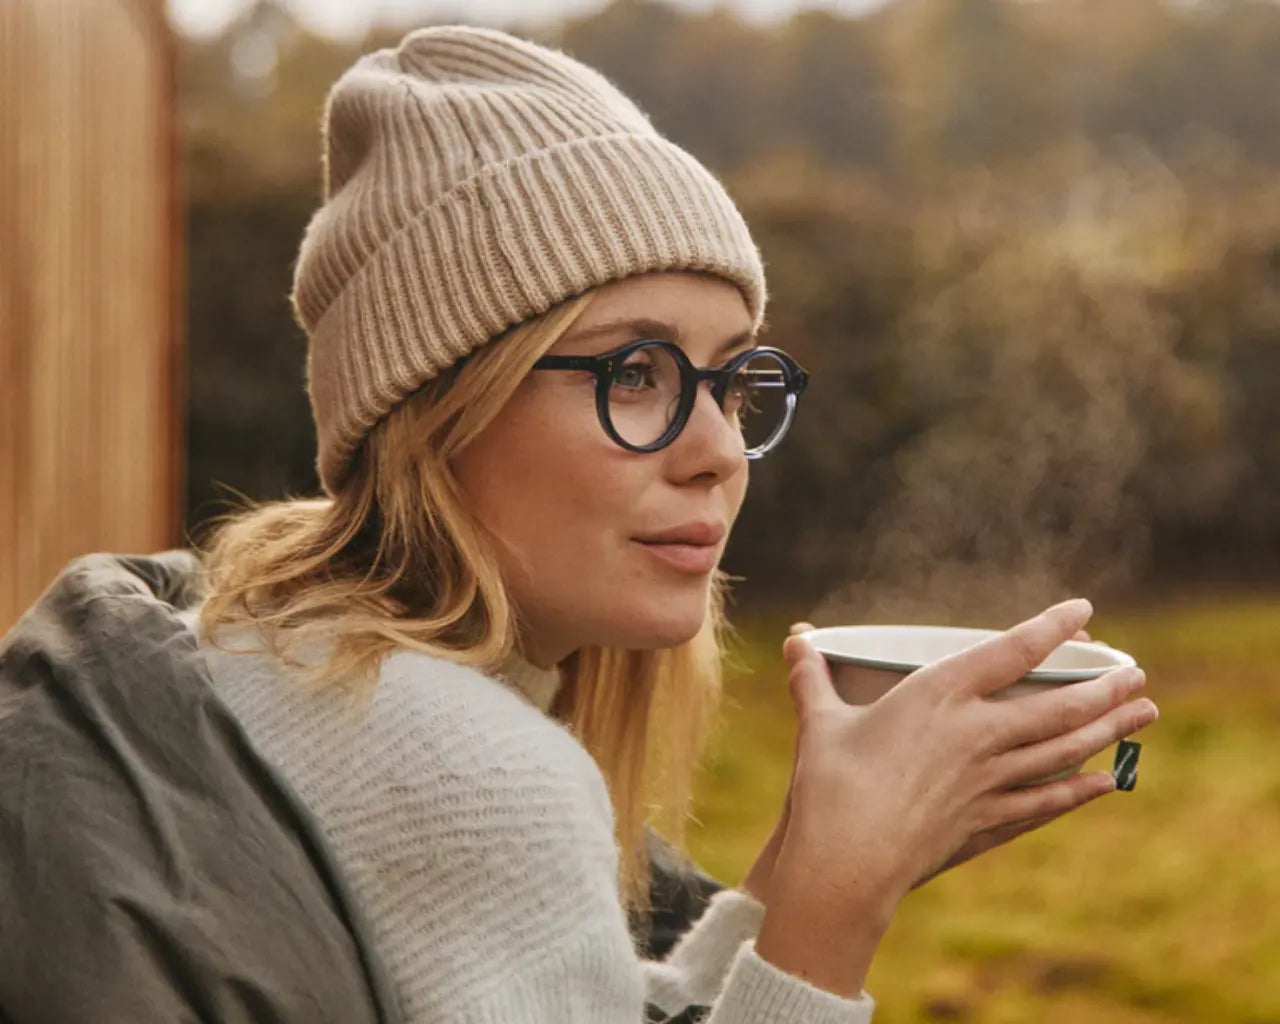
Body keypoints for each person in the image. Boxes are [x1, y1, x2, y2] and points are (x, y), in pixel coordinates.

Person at [3, 26, 1157, 1024]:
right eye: (637, 372)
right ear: (440, 409)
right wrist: (835, 908)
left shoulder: (276, 659)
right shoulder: (473, 769)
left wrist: (814, 865)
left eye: (731, 381)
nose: (714, 451)